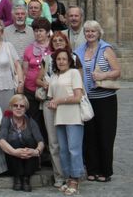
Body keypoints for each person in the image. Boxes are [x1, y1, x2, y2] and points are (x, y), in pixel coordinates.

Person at [74, 19, 121, 182]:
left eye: (93, 31)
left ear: (99, 33)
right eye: (87, 31)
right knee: (89, 136)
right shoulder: (79, 51)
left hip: (105, 99)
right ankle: (92, 169)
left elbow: (117, 71)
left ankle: (105, 171)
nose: (90, 34)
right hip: (87, 98)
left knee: (105, 134)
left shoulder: (106, 49)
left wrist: (103, 75)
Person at [36, 30, 79, 189]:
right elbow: (38, 79)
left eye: (61, 40)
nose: (58, 43)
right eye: (55, 41)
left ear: (66, 42)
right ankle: (59, 175)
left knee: (69, 142)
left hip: (69, 104)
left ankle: (72, 175)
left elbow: (79, 82)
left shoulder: (73, 58)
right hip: (50, 103)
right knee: (54, 142)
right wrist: (45, 84)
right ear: (51, 44)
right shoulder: (47, 59)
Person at [47, 48, 84, 195]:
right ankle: (68, 178)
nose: (61, 61)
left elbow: (77, 97)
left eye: (64, 59)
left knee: (74, 149)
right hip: (59, 116)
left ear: (69, 61)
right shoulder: (54, 76)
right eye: (58, 59)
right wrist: (53, 103)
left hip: (73, 116)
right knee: (63, 150)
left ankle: (75, 180)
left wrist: (59, 101)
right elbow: (52, 97)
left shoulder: (74, 73)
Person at [0, 93, 45, 192]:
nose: (18, 108)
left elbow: (40, 141)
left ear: (25, 108)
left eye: (22, 106)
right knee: (14, 142)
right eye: (15, 105)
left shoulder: (30, 121)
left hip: (30, 160)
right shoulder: (6, 120)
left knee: (30, 141)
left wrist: (36, 151)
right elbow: (1, 140)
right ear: (11, 107)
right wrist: (14, 152)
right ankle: (17, 178)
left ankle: (26, 178)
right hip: (13, 160)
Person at [22, 18, 52, 137]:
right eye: (35, 31)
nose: (38, 33)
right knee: (34, 119)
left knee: (48, 120)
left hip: (49, 90)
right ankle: (38, 144)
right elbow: (25, 71)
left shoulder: (53, 46)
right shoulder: (29, 49)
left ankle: (50, 145)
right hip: (31, 90)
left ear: (47, 32)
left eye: (41, 30)